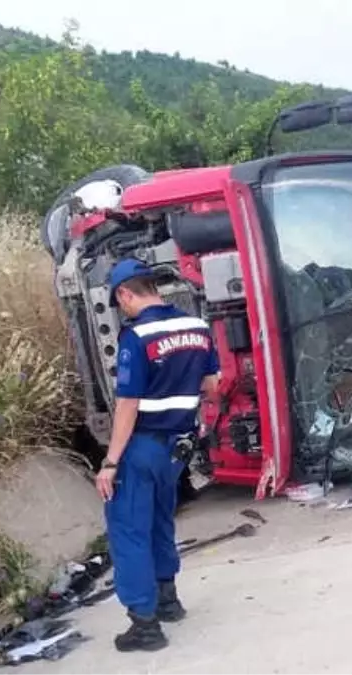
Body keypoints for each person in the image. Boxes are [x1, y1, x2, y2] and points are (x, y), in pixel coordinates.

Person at [96, 258, 220, 652]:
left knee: (129, 529)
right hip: (177, 449)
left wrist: (111, 462)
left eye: (121, 304)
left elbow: (128, 405)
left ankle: (145, 625)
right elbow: (213, 384)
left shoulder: (137, 336)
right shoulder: (197, 327)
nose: (123, 311)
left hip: (144, 447)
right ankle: (169, 601)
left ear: (125, 294)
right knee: (160, 521)